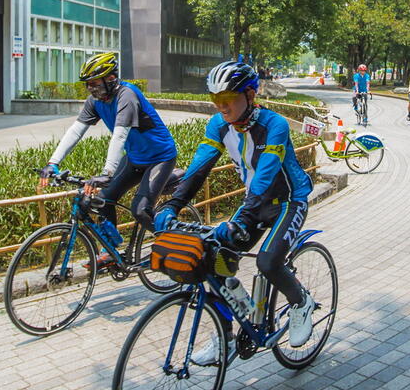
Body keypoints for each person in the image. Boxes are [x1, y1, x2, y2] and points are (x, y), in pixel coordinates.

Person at [154, 60, 317, 363]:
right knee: (214, 259)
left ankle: (301, 302)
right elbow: (199, 169)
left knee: (269, 262)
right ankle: (226, 337)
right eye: (216, 100)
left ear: (251, 95)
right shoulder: (218, 125)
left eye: (228, 99)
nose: (222, 107)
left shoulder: (274, 126)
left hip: (288, 201)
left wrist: (240, 218)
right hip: (254, 203)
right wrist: (173, 204)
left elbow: (266, 175)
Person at [41, 52, 177, 270]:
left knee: (141, 210)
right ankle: (111, 252)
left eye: (95, 84)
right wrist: (53, 162)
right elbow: (76, 131)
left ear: (111, 78)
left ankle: (175, 245)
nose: (91, 89)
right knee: (103, 199)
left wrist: (107, 172)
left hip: (160, 158)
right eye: (88, 85)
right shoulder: (95, 102)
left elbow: (120, 135)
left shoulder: (128, 95)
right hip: (135, 158)